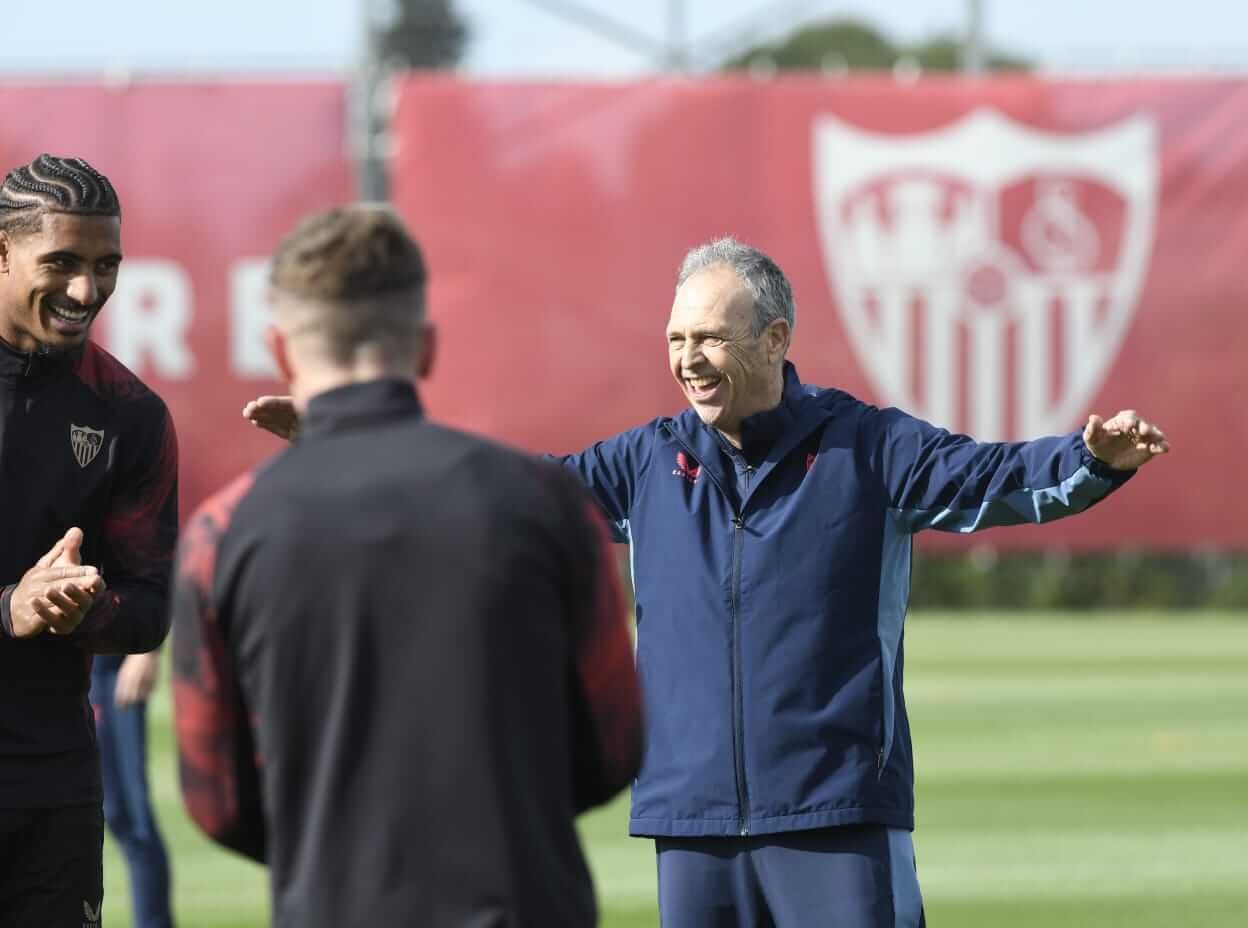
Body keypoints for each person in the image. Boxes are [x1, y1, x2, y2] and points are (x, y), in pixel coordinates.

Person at [246, 235, 1169, 927]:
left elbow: (992, 478)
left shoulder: (868, 446)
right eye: (676, 339)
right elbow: (506, 498)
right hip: (688, 820)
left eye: (710, 339)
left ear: (774, 339)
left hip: (835, 810)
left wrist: (1091, 459)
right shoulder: (649, 460)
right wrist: (357, 441)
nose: (688, 360)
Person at [173, 204, 643, 928]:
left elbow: (218, 799)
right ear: (425, 348)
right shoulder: (548, 505)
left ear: (282, 352)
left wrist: (334, 844)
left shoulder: (221, 534)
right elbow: (613, 748)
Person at [0, 153, 179, 927]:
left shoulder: (129, 414)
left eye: (106, 266)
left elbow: (148, 607)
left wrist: (86, 607)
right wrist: (11, 607)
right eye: (62, 263)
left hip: (52, 783)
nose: (85, 291)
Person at [90, 649, 175, 928]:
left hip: (110, 663)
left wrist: (147, 652)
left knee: (129, 816)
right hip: (68, 668)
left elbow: (155, 602)